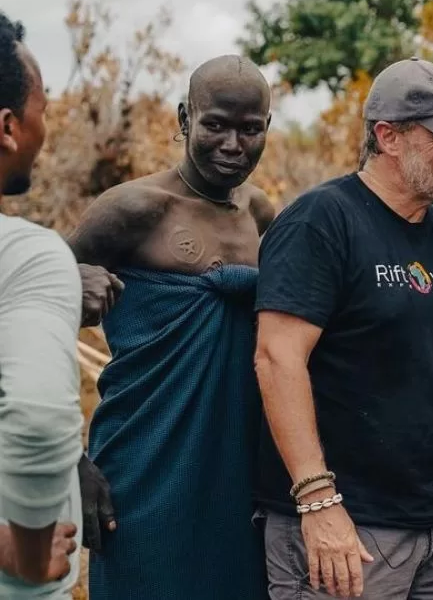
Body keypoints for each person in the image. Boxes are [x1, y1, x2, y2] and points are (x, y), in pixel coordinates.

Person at [254, 57, 433, 599]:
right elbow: (278, 358)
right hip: (349, 530)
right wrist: (318, 504)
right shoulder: (320, 221)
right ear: (388, 137)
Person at [67, 54, 276, 599]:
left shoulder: (261, 216)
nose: (233, 145)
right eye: (215, 125)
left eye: (250, 129)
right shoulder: (132, 210)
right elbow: (33, 322)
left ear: (266, 129)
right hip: (142, 464)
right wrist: (71, 460)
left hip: (236, 471)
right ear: (185, 118)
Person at [0, 9, 84, 599]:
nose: (44, 130)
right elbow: (36, 419)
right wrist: (22, 552)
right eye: (44, 112)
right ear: (8, 126)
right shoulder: (27, 257)